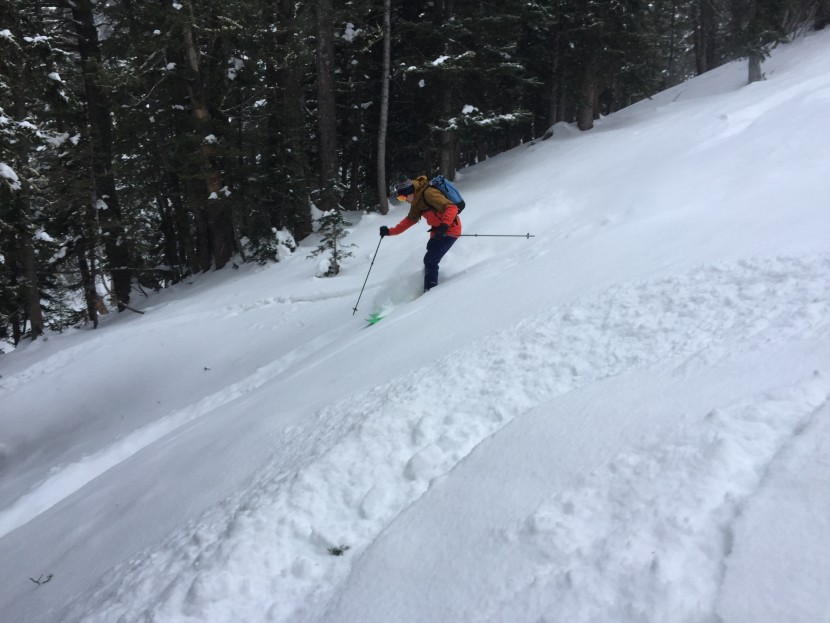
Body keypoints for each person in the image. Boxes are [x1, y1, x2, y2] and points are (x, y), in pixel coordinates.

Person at [380, 176, 462, 292]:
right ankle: (430, 283)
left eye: (404, 197)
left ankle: (430, 290)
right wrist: (389, 231)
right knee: (430, 256)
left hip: (450, 230)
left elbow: (452, 208)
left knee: (430, 260)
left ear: (410, 192)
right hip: (437, 232)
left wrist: (443, 227)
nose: (405, 201)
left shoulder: (429, 194)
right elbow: (409, 220)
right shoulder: (417, 202)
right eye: (401, 199)